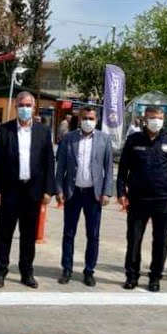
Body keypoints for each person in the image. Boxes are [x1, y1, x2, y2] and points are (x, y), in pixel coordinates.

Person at [0, 91, 55, 288]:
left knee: (28, 235)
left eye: (28, 105)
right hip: (9, 191)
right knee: (4, 234)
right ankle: (0, 271)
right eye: (21, 105)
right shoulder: (4, 130)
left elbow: (49, 162)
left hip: (32, 192)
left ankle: (27, 272)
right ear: (16, 107)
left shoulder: (43, 131)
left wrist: (48, 190)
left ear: (34, 108)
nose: (25, 109)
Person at [117, 105, 167, 292]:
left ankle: (155, 277)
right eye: (153, 118)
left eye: (160, 118)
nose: (156, 122)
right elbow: (123, 169)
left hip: (163, 199)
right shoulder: (134, 140)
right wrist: (121, 192)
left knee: (161, 241)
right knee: (134, 239)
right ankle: (132, 276)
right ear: (145, 119)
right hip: (138, 198)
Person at [54, 106, 114, 287]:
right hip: (73, 193)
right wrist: (59, 189)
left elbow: (109, 168)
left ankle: (89, 271)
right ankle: (67, 269)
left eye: (91, 118)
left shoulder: (104, 139)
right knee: (69, 233)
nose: (88, 121)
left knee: (93, 235)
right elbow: (61, 167)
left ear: (96, 120)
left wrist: (107, 192)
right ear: (79, 119)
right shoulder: (69, 138)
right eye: (85, 118)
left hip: (93, 195)